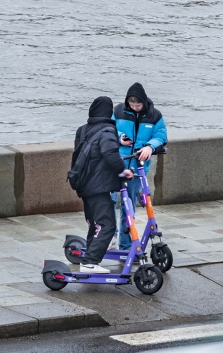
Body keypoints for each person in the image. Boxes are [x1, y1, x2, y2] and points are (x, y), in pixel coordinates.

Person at [72, 96, 127, 274]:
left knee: (95, 224)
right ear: (108, 112)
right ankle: (90, 262)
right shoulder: (108, 130)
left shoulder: (83, 130)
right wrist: (123, 170)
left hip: (83, 184)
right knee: (107, 224)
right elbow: (109, 153)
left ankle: (89, 256)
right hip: (98, 186)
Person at [111, 82, 168, 250]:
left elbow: (161, 135)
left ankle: (126, 245)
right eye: (132, 104)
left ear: (144, 102)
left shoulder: (155, 116)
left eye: (138, 104)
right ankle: (110, 237)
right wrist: (120, 137)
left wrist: (150, 146)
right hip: (117, 164)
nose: (135, 107)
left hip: (136, 168)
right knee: (109, 201)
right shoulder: (118, 111)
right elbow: (108, 129)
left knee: (128, 207)